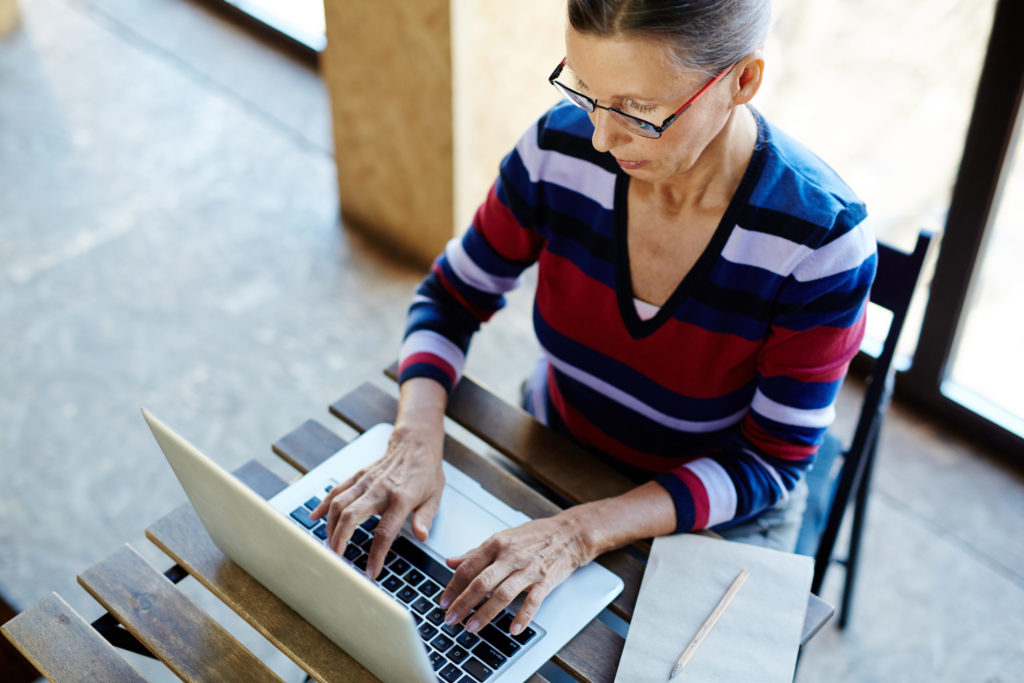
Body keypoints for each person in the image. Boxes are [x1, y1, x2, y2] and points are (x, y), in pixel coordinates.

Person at [312, 0, 875, 640]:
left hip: (717, 506)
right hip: (561, 445)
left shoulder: (819, 239)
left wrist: (581, 531)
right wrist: (414, 437)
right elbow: (450, 297)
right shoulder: (560, 145)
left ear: (742, 81)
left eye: (637, 111)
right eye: (584, 91)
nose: (601, 140)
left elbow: (770, 463)